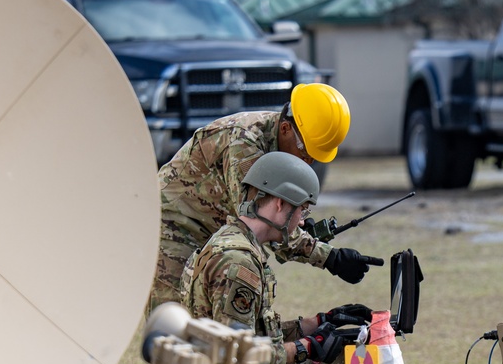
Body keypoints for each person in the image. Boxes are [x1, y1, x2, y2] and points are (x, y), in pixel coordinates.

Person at [179, 151, 369, 364]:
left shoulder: (236, 244)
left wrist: (318, 323)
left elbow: (251, 332)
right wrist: (305, 349)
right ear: (281, 205)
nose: (302, 222)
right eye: (302, 211)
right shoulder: (238, 264)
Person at [152, 82, 378, 312]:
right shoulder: (244, 142)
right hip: (174, 228)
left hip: (214, 233)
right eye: (305, 151)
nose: (307, 161)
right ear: (285, 129)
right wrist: (331, 258)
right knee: (173, 324)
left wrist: (298, 222)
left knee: (211, 328)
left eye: (314, 157)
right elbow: (261, 218)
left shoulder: (281, 145)